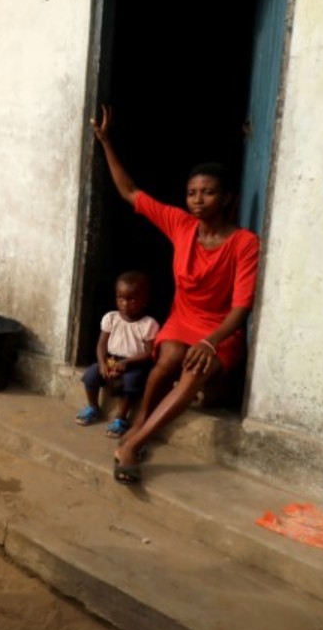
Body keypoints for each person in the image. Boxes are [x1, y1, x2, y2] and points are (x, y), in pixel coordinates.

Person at [92, 104, 259, 484]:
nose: (198, 200)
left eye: (208, 193)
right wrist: (106, 142)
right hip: (182, 321)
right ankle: (140, 423)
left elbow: (241, 308)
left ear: (226, 198)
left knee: (192, 369)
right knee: (167, 359)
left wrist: (211, 342)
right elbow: (130, 192)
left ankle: (134, 444)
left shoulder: (245, 243)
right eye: (192, 193)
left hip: (220, 330)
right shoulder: (180, 224)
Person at [74, 271, 159, 438]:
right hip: (111, 360)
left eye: (131, 299)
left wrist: (127, 362)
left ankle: (121, 417)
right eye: (120, 298)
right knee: (91, 374)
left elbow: (150, 352)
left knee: (132, 381)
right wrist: (102, 364)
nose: (125, 304)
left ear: (144, 300)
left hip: (135, 364)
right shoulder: (111, 318)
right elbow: (101, 345)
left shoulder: (148, 324)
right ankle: (93, 406)